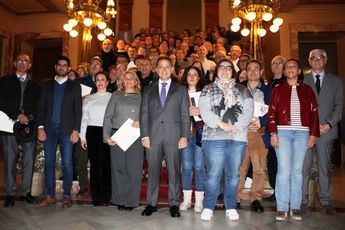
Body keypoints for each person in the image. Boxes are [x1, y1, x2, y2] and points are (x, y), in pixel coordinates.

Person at [199, 59, 254, 221]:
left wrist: (236, 127)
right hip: (214, 138)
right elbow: (204, 110)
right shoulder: (208, 89)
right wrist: (221, 124)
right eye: (221, 68)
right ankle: (208, 206)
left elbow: (248, 110)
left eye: (228, 68)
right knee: (213, 174)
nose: (224, 70)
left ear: (233, 71)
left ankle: (230, 206)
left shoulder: (243, 89)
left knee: (233, 175)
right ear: (216, 71)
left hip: (237, 138)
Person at [268, 58, 319, 221]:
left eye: (294, 66)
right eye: (287, 66)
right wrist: (273, 133)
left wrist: (313, 134)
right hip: (282, 132)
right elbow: (272, 113)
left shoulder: (308, 90)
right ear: (284, 72)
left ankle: (295, 206)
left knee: (297, 171)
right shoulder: (277, 89)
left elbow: (314, 114)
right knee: (283, 170)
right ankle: (282, 207)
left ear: (299, 71)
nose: (290, 68)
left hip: (302, 133)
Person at [140, 56, 190, 218]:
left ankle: (174, 203)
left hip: (174, 137)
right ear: (156, 69)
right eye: (160, 67)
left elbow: (184, 115)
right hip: (153, 137)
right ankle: (151, 203)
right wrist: (144, 136)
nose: (163, 70)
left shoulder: (181, 89)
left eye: (167, 67)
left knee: (174, 171)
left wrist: (184, 136)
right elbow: (144, 114)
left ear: (172, 69)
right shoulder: (148, 89)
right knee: (153, 170)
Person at [302, 49, 343, 215]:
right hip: (305, 131)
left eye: (319, 58)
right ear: (309, 61)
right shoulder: (302, 79)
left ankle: (326, 199)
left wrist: (329, 124)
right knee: (303, 167)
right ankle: (302, 199)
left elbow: (339, 106)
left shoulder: (335, 81)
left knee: (324, 166)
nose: (316, 60)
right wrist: (308, 125)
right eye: (313, 58)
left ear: (325, 60)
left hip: (326, 131)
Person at [37, 56, 82, 207]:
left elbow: (78, 110)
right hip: (49, 129)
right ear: (56, 67)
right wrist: (40, 128)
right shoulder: (47, 85)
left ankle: (67, 195)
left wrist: (76, 130)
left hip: (67, 130)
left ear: (69, 68)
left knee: (68, 163)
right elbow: (41, 108)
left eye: (65, 65)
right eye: (59, 65)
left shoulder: (75, 86)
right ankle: (49, 196)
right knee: (49, 163)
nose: (62, 67)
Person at [0, 53, 41, 207]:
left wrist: (28, 118)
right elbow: (1, 101)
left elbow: (39, 107)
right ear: (15, 63)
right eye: (20, 61)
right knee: (10, 159)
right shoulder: (4, 81)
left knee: (29, 159)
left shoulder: (36, 86)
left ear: (29, 66)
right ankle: (10, 193)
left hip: (28, 126)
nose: (23, 63)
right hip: (8, 125)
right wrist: (17, 114)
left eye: (26, 61)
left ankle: (25, 192)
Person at [103, 71, 144, 211]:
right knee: (118, 168)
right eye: (125, 79)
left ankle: (131, 201)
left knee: (134, 170)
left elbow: (148, 116)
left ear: (136, 81)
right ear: (121, 81)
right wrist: (106, 136)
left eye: (131, 78)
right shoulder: (116, 95)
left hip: (135, 136)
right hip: (117, 135)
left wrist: (141, 122)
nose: (128, 81)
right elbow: (108, 116)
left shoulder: (141, 97)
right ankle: (120, 199)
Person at [236, 60, 271, 212]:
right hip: (241, 133)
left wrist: (261, 121)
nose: (253, 72)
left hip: (259, 133)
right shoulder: (238, 88)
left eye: (256, 69)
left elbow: (273, 111)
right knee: (239, 168)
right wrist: (242, 122)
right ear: (246, 71)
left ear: (261, 71)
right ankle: (235, 197)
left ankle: (256, 198)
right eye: (250, 69)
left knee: (259, 168)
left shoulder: (268, 90)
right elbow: (232, 109)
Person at [79, 71, 112, 206]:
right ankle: (96, 197)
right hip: (92, 132)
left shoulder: (113, 97)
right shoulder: (88, 98)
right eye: (97, 79)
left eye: (102, 79)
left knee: (106, 165)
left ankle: (106, 196)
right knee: (94, 166)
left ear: (107, 82)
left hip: (107, 131)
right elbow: (84, 119)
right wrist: (82, 137)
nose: (100, 82)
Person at [179, 67, 206, 213]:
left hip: (200, 133)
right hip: (185, 134)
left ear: (199, 77)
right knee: (187, 166)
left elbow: (213, 113)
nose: (192, 77)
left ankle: (199, 201)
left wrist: (200, 112)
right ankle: (187, 199)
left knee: (199, 166)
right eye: (189, 74)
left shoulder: (205, 93)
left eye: (195, 74)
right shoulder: (179, 93)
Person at [265, 55, 286, 201]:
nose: (276, 65)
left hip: (282, 126)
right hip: (269, 126)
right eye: (274, 63)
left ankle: (282, 192)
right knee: (272, 160)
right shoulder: (269, 83)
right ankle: (275, 190)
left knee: (282, 161)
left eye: (280, 63)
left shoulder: (287, 82)